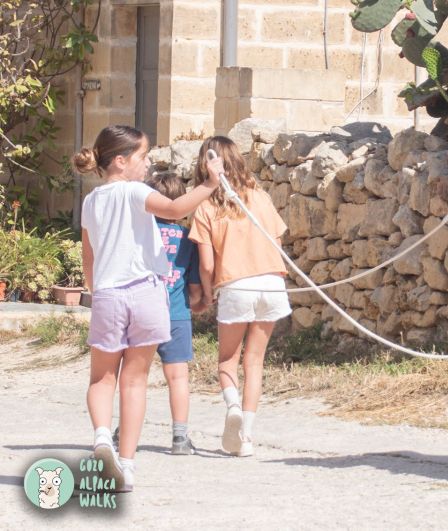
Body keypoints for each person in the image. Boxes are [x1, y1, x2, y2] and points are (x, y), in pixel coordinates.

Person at [75, 125, 222, 491]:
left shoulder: (91, 202)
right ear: (121, 161)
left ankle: (101, 438)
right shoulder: (135, 191)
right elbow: (174, 208)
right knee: (135, 380)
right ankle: (126, 466)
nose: (149, 164)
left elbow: (88, 260)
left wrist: (98, 292)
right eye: (143, 156)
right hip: (147, 294)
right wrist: (209, 185)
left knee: (101, 379)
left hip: (108, 294)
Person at [189, 136, 291, 457]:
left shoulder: (205, 207)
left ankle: (232, 406)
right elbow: (276, 243)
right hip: (273, 284)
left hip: (235, 286)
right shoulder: (260, 197)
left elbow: (206, 264)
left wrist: (206, 295)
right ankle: (246, 437)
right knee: (255, 360)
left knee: (226, 361)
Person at [113, 173, 206, 455]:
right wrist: (199, 302)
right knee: (178, 376)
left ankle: (123, 431)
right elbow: (193, 284)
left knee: (134, 375)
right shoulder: (188, 241)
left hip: (142, 311)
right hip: (176, 313)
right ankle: (180, 438)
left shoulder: (140, 233)